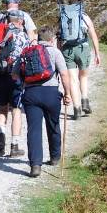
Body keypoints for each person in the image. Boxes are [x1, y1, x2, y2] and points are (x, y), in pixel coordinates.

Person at [17, 27, 70, 177]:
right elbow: (65, 75)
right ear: (52, 39)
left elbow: (15, 74)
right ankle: (54, 157)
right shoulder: (55, 52)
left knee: (34, 129)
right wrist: (67, 94)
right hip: (51, 93)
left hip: (31, 94)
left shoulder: (27, 51)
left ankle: (35, 165)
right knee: (53, 124)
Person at [0, 9, 32, 158]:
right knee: (16, 110)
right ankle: (14, 145)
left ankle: (1, 138)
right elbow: (26, 54)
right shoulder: (22, 35)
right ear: (19, 21)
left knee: (2, 109)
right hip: (15, 76)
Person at [60, 6, 102, 120]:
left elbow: (59, 37)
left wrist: (59, 54)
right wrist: (97, 53)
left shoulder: (63, 16)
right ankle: (84, 101)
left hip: (67, 49)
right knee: (83, 76)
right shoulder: (84, 16)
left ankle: (76, 110)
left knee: (73, 79)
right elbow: (93, 35)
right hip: (83, 48)